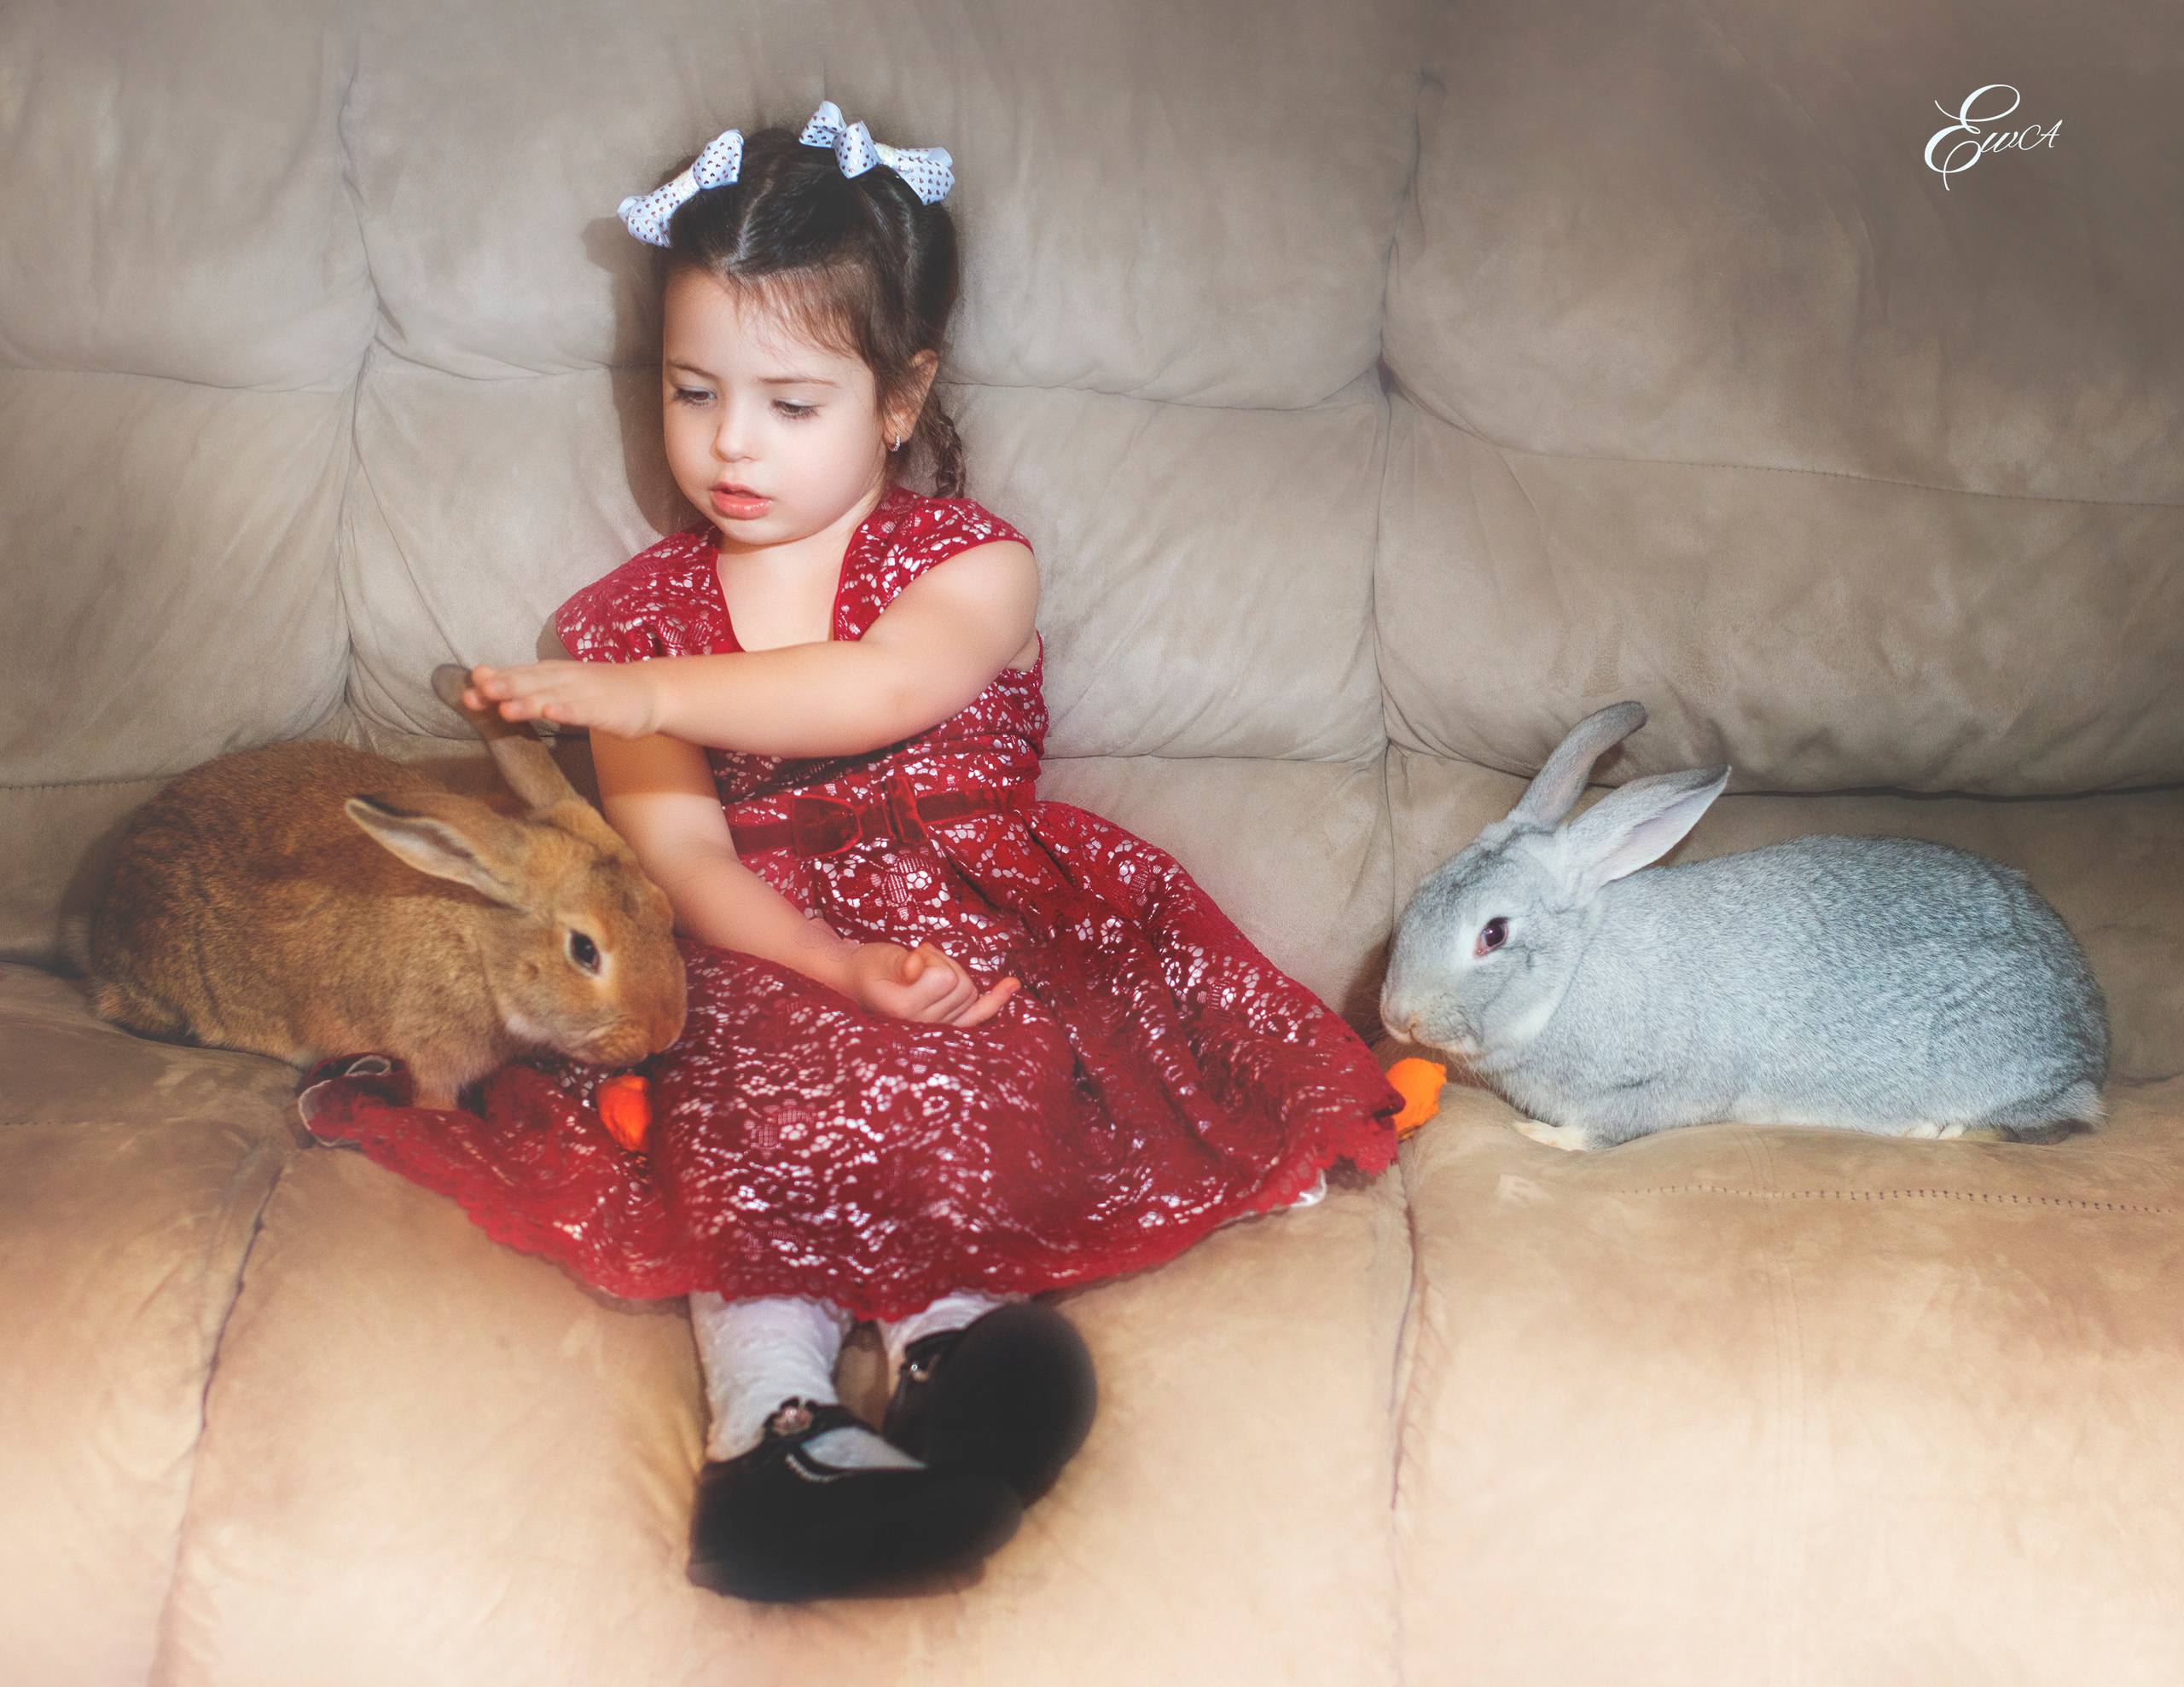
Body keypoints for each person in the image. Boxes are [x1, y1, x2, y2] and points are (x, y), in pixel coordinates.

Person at [304, 101, 1399, 1603]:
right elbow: (678, 856)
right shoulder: (632, 619)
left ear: (901, 399)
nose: (730, 443)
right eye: (694, 392)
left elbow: (880, 689)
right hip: (758, 933)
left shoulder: (970, 562)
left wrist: (636, 699)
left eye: (791, 402)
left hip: (964, 910)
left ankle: (966, 1351)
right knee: (745, 1089)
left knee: (971, 1061)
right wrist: (817, 952)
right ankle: (776, 1445)